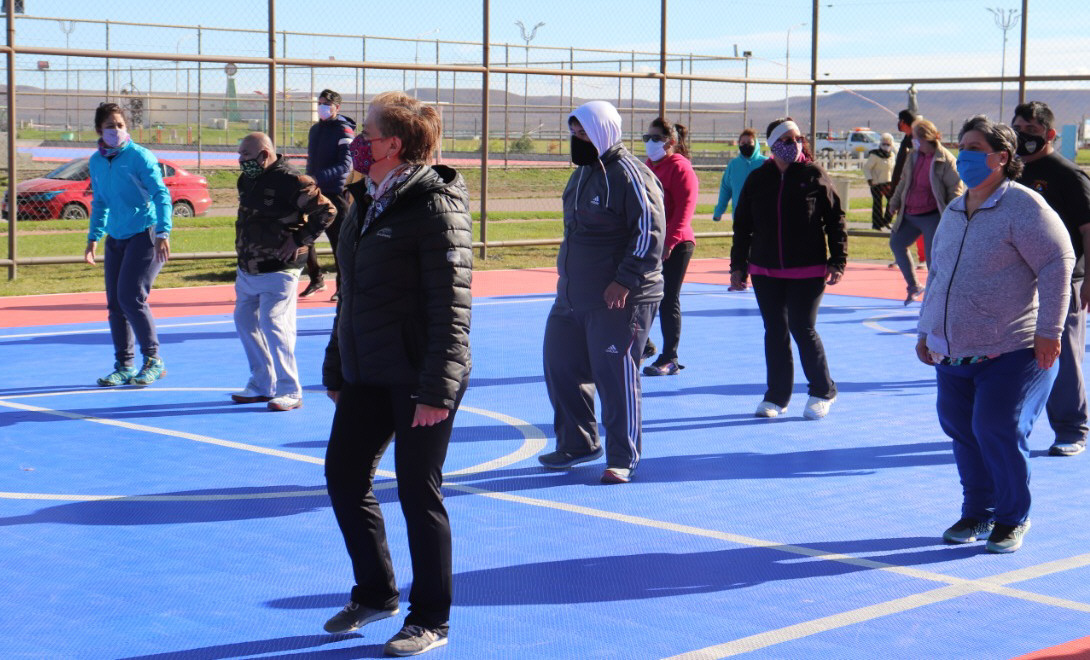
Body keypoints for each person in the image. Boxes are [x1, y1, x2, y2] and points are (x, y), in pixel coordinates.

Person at [321, 91, 472, 657]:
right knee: (343, 477)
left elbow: (452, 306)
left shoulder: (435, 203)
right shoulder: (364, 200)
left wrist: (437, 388)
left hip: (419, 377)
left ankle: (430, 617)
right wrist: (338, 364)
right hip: (366, 373)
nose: (357, 140)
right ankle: (376, 591)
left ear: (395, 144)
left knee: (418, 493)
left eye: (368, 132)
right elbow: (350, 295)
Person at [917, 115, 1073, 553]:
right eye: (961, 145)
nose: (962, 155)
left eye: (972, 147)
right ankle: (978, 514)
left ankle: (1011, 517)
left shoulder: (1025, 208)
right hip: (953, 351)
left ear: (1002, 157)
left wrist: (1050, 331)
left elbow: (1057, 264)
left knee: (996, 427)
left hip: (1014, 348)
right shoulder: (953, 209)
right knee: (961, 428)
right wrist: (926, 330)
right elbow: (938, 273)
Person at [537, 100, 665, 485]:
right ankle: (578, 443)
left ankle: (623, 457)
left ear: (603, 131)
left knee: (616, 375)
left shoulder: (630, 175)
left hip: (620, 297)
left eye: (583, 133)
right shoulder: (581, 174)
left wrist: (624, 280)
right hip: (573, 295)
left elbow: (650, 232)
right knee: (560, 364)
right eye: (573, 132)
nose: (577, 139)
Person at [730, 117, 847, 420]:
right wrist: (738, 266)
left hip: (807, 269)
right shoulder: (759, 178)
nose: (793, 144)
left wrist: (837, 260)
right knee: (775, 331)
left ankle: (823, 391)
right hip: (765, 270)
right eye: (785, 140)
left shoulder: (814, 175)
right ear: (773, 145)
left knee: (802, 327)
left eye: (797, 138)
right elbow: (742, 225)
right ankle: (777, 397)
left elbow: (835, 221)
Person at [232, 133, 335, 411]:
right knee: (244, 320)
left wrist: (299, 239)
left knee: (273, 323)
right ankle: (262, 383)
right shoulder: (247, 180)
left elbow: (326, 211)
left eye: (245, 155)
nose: (241, 160)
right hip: (248, 270)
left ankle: (290, 389)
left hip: (280, 268)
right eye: (240, 154)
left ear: (264, 155)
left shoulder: (293, 182)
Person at [1013, 101, 1090, 457]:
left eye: (1031, 130)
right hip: (1016, 278)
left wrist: (1088, 278)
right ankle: (1010, 425)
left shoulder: (1068, 174)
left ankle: (1072, 428)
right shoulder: (1010, 172)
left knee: (1063, 353)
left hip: (1062, 278)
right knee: (1012, 355)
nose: (1022, 136)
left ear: (1050, 134)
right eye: (1018, 128)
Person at [83, 102, 172, 387]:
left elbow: (161, 194)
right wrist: (93, 237)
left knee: (131, 296)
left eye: (121, 125)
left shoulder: (140, 157)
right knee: (115, 304)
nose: (117, 130)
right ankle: (124, 365)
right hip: (116, 237)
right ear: (99, 130)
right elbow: (99, 202)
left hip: (144, 233)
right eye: (111, 126)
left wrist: (163, 232)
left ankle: (154, 360)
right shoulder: (96, 162)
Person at [641, 117, 698, 377]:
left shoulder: (680, 168)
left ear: (670, 142)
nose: (650, 143)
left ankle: (670, 357)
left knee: (667, 299)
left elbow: (684, 210)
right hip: (651, 241)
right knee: (640, 296)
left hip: (677, 243)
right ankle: (645, 345)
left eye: (656, 138)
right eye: (647, 138)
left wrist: (669, 243)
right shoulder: (649, 166)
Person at [888, 118, 963, 305]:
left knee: (933, 260)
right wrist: (894, 202)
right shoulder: (912, 156)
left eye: (915, 138)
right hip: (910, 213)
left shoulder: (945, 159)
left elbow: (955, 189)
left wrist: (950, 215)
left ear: (926, 138)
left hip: (932, 216)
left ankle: (937, 298)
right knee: (897, 243)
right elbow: (904, 182)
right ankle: (914, 286)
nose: (913, 141)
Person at [301, 88, 356, 300]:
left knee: (339, 243)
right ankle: (316, 280)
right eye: (320, 103)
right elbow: (311, 161)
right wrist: (308, 180)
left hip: (335, 193)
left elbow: (345, 165)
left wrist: (319, 178)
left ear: (337, 107)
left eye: (327, 104)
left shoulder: (344, 130)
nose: (322, 107)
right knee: (304, 236)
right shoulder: (315, 130)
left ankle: (343, 287)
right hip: (314, 193)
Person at [712, 128, 767, 222]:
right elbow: (725, 189)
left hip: (762, 216)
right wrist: (719, 211)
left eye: (750, 142)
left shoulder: (766, 163)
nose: (746, 145)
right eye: (743, 143)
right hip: (740, 216)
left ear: (756, 144)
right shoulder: (733, 164)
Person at [862, 132, 896, 229]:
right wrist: (870, 179)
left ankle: (886, 221)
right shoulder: (875, 155)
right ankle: (876, 224)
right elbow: (867, 168)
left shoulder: (892, 155)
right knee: (877, 203)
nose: (886, 146)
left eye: (888, 144)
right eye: (884, 144)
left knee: (892, 201)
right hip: (876, 183)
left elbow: (893, 169)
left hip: (888, 182)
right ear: (880, 143)